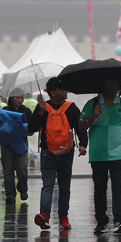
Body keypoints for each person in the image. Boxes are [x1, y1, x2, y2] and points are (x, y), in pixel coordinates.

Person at [79, 76, 121, 234]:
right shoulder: (92, 104)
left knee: (119, 187)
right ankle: (101, 221)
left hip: (119, 154)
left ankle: (120, 220)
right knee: (99, 189)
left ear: (118, 86)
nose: (110, 86)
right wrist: (93, 116)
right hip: (98, 154)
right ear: (102, 86)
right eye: (107, 83)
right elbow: (80, 126)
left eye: (113, 83)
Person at [30, 79, 87, 229]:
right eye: (62, 89)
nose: (65, 92)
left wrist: (83, 144)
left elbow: (79, 127)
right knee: (57, 185)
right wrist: (40, 112)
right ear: (53, 92)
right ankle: (52, 216)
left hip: (56, 151)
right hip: (56, 152)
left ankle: (53, 215)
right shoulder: (45, 107)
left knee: (55, 185)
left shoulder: (71, 107)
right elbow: (31, 128)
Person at [2, 91, 34, 204]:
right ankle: (10, 194)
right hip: (7, 143)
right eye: (17, 98)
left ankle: (23, 188)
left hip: (21, 142)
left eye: (22, 98)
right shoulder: (5, 110)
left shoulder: (26, 111)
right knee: (8, 170)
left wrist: (29, 132)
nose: (20, 100)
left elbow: (32, 125)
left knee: (22, 166)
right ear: (11, 98)